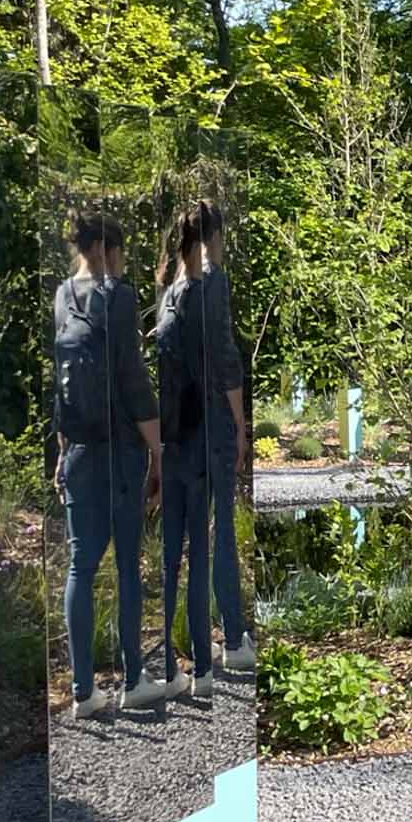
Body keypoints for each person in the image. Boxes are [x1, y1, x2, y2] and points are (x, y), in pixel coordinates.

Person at [54, 212, 168, 716]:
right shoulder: (118, 297)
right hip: (121, 449)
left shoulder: (61, 296)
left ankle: (83, 692)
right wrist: (159, 449)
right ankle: (134, 679)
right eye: (119, 252)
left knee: (81, 565)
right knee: (126, 564)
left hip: (77, 447)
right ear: (105, 248)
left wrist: (62, 451)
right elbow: (132, 381)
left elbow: (62, 382)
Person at [194, 203, 255, 671]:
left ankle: (198, 648)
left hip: (178, 422)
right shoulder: (214, 280)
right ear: (214, 235)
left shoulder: (171, 281)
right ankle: (233, 638)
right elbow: (225, 353)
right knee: (223, 535)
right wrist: (239, 424)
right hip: (213, 416)